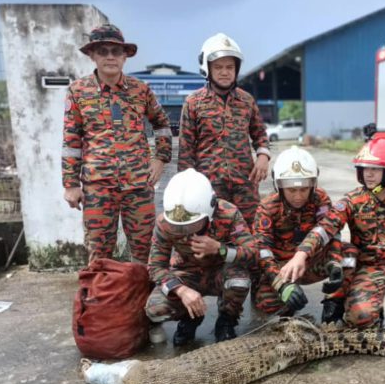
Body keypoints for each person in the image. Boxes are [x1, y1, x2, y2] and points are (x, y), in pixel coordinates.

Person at [280, 138, 385, 334]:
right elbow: (325, 228)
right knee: (360, 319)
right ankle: (370, 308)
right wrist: (301, 254)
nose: (368, 174)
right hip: (367, 270)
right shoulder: (353, 200)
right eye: (365, 168)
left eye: (375, 169)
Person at [61, 23, 173, 263]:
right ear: (92, 55)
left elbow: (162, 124)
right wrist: (70, 184)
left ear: (125, 56)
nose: (110, 57)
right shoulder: (78, 91)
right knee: (99, 253)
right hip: (98, 186)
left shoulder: (140, 90)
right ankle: (102, 288)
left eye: (116, 52)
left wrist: (160, 158)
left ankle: (144, 289)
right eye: (103, 51)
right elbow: (71, 140)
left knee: (145, 251)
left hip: (138, 184)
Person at [145, 169, 257, 345]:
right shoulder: (164, 223)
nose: (185, 231)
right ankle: (190, 316)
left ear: (209, 211)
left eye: (191, 224)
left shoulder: (228, 213)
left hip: (221, 271)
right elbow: (155, 267)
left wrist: (220, 249)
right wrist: (181, 290)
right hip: (187, 274)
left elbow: (252, 253)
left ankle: (227, 320)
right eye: (178, 226)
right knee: (155, 308)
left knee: (240, 281)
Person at [253, 146, 358, 322]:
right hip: (282, 268)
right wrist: (281, 285)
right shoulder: (267, 207)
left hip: (310, 262)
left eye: (304, 189)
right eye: (292, 190)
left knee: (349, 254)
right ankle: (285, 302)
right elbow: (262, 252)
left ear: (312, 185)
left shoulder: (320, 198)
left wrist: (333, 262)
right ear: (279, 186)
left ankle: (334, 303)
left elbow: (331, 232)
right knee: (268, 304)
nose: (298, 196)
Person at [177, 33, 270, 228]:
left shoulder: (246, 101)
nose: (225, 72)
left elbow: (260, 134)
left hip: (245, 184)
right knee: (210, 231)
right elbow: (186, 151)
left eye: (230, 67)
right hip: (209, 185)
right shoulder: (193, 103)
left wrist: (263, 156)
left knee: (251, 231)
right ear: (207, 69)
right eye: (218, 67)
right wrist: (186, 187)